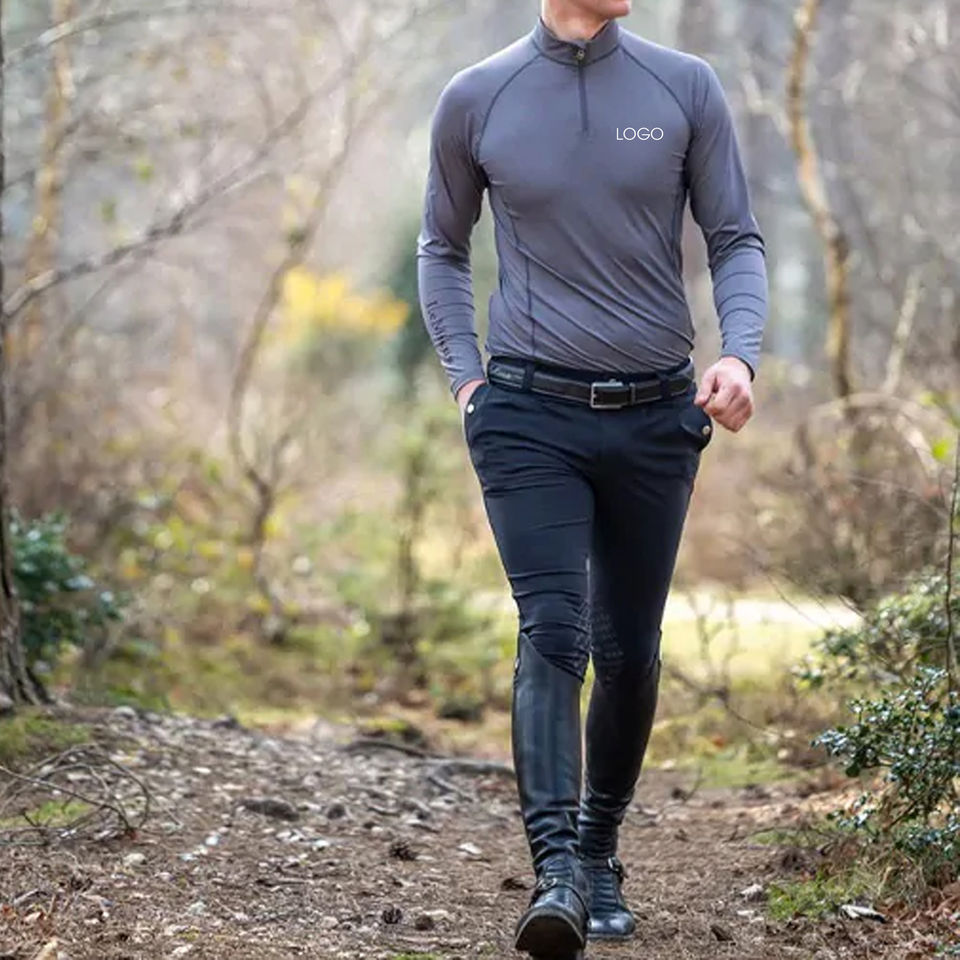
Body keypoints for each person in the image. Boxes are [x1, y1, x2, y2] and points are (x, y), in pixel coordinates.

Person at [416, 0, 768, 956]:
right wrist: (468, 384)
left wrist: (739, 354)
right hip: (528, 414)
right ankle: (558, 874)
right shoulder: (478, 96)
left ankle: (600, 847)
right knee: (553, 630)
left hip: (657, 415)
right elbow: (441, 248)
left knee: (629, 648)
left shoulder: (683, 85)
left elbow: (736, 237)